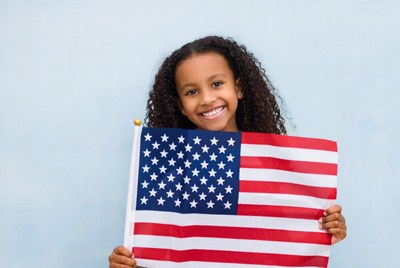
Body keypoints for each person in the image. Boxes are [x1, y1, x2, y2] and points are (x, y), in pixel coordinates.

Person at [109, 36, 347, 268]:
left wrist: (323, 233)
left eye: (216, 84)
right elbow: (162, 247)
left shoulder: (272, 165)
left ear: (239, 88)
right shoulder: (168, 169)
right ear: (180, 105)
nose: (207, 98)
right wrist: (129, 262)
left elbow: (279, 236)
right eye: (192, 92)